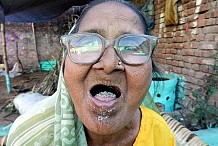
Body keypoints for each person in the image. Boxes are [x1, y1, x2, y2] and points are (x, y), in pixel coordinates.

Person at [7, 0, 175, 145]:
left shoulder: (160, 133)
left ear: (150, 68)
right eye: (87, 43)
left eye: (131, 47)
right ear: (65, 62)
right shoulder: (27, 139)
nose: (109, 64)